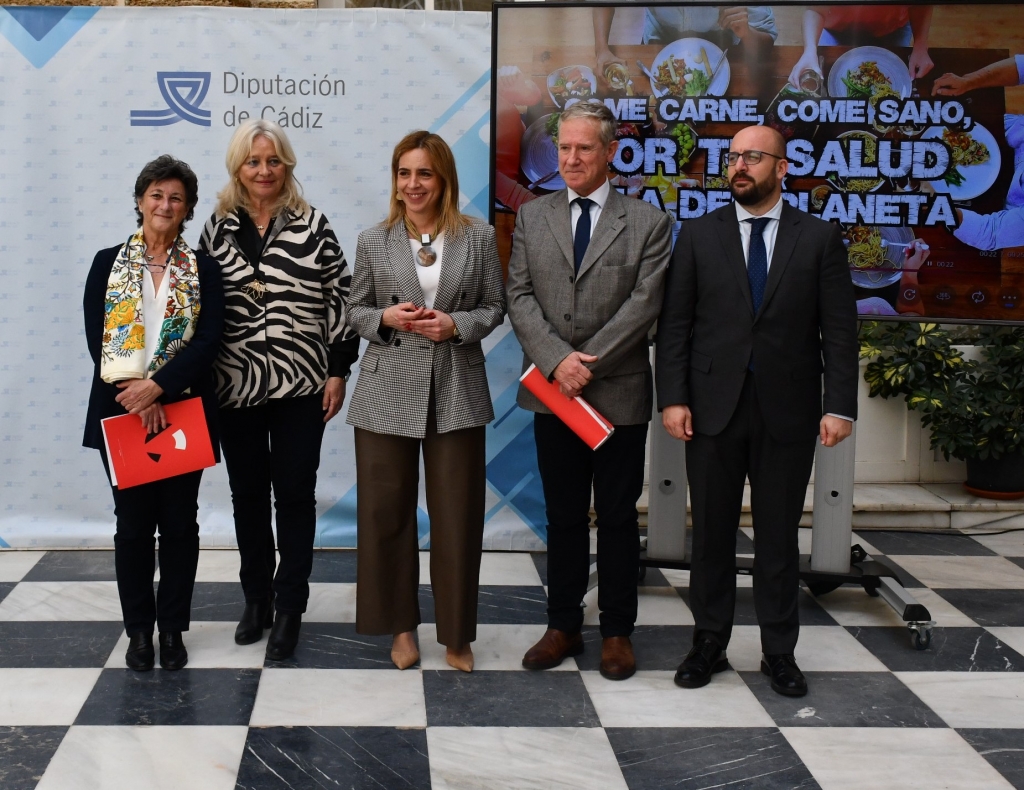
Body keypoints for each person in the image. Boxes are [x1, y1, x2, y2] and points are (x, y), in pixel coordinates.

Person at [657, 125, 859, 697]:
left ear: (782, 166)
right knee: (712, 537)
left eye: (752, 156)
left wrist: (839, 406)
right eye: (733, 157)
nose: (738, 166)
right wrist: (672, 397)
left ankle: (779, 652)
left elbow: (839, 332)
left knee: (776, 539)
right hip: (710, 410)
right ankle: (708, 643)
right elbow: (676, 326)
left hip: (788, 411)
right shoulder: (698, 235)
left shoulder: (818, 237)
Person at [507, 101, 672, 681]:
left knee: (621, 517)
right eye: (564, 148)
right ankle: (563, 625)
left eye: (583, 148)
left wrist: (586, 366)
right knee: (563, 515)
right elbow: (519, 297)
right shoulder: (533, 216)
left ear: (610, 153)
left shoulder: (649, 223)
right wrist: (557, 362)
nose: (571, 158)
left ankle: (618, 633)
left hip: (617, 394)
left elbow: (644, 307)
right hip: (555, 394)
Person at [346, 131, 506, 672]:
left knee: (457, 518)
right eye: (404, 173)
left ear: (444, 181)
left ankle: (457, 635)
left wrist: (456, 324)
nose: (413, 184)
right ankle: (401, 628)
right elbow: (355, 311)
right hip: (386, 393)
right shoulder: (373, 240)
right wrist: (385, 319)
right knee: (386, 516)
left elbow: (493, 307)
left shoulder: (478, 237)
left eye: (424, 174)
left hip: (457, 392)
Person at [200, 120, 359, 661]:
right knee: (247, 497)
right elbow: (198, 308)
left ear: (286, 164)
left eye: (272, 160)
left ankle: (291, 605)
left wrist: (339, 369)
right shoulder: (216, 228)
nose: (263, 171)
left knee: (294, 495)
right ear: (237, 168)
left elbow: (341, 298)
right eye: (252, 161)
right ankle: (256, 599)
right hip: (234, 387)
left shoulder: (314, 225)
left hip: (301, 385)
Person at [83, 155, 224, 671]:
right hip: (121, 412)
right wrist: (137, 396)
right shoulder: (106, 263)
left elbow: (209, 340)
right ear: (140, 199)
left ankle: (172, 630)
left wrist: (159, 389)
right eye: (156, 195)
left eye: (176, 198)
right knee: (134, 525)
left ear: (187, 209)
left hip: (183, 411)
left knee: (180, 524)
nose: (165, 205)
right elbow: (96, 340)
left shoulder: (202, 268)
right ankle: (139, 631)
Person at [933, 56, 1024, 251]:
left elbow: (989, 233)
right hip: (1007, 128)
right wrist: (967, 81)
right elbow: (1022, 67)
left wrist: (936, 205)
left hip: (994, 201)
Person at [594, 5, 777, 80]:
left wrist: (747, 33)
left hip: (721, 41)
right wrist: (602, 49)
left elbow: (766, 40)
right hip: (660, 37)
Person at [788, 5, 935, 89]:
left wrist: (921, 44)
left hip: (893, 28)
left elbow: (921, 4)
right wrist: (809, 51)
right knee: (833, 83)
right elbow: (815, 9)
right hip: (835, 29)